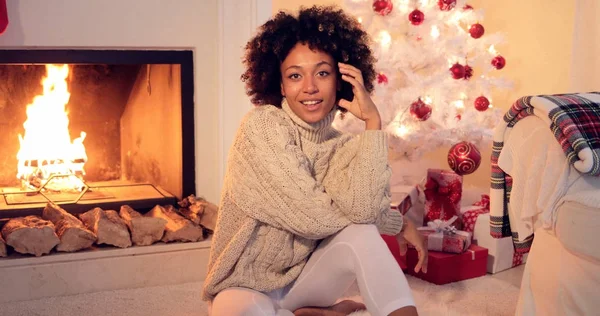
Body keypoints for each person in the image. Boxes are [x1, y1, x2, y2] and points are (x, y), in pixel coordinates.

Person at [202, 5, 428, 316]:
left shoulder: (344, 147)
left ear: (340, 80)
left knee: (360, 232)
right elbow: (312, 217)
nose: (309, 87)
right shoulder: (262, 126)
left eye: (322, 73)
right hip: (243, 286)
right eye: (295, 76)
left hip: (305, 284)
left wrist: (373, 124)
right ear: (280, 85)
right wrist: (394, 222)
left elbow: (361, 213)